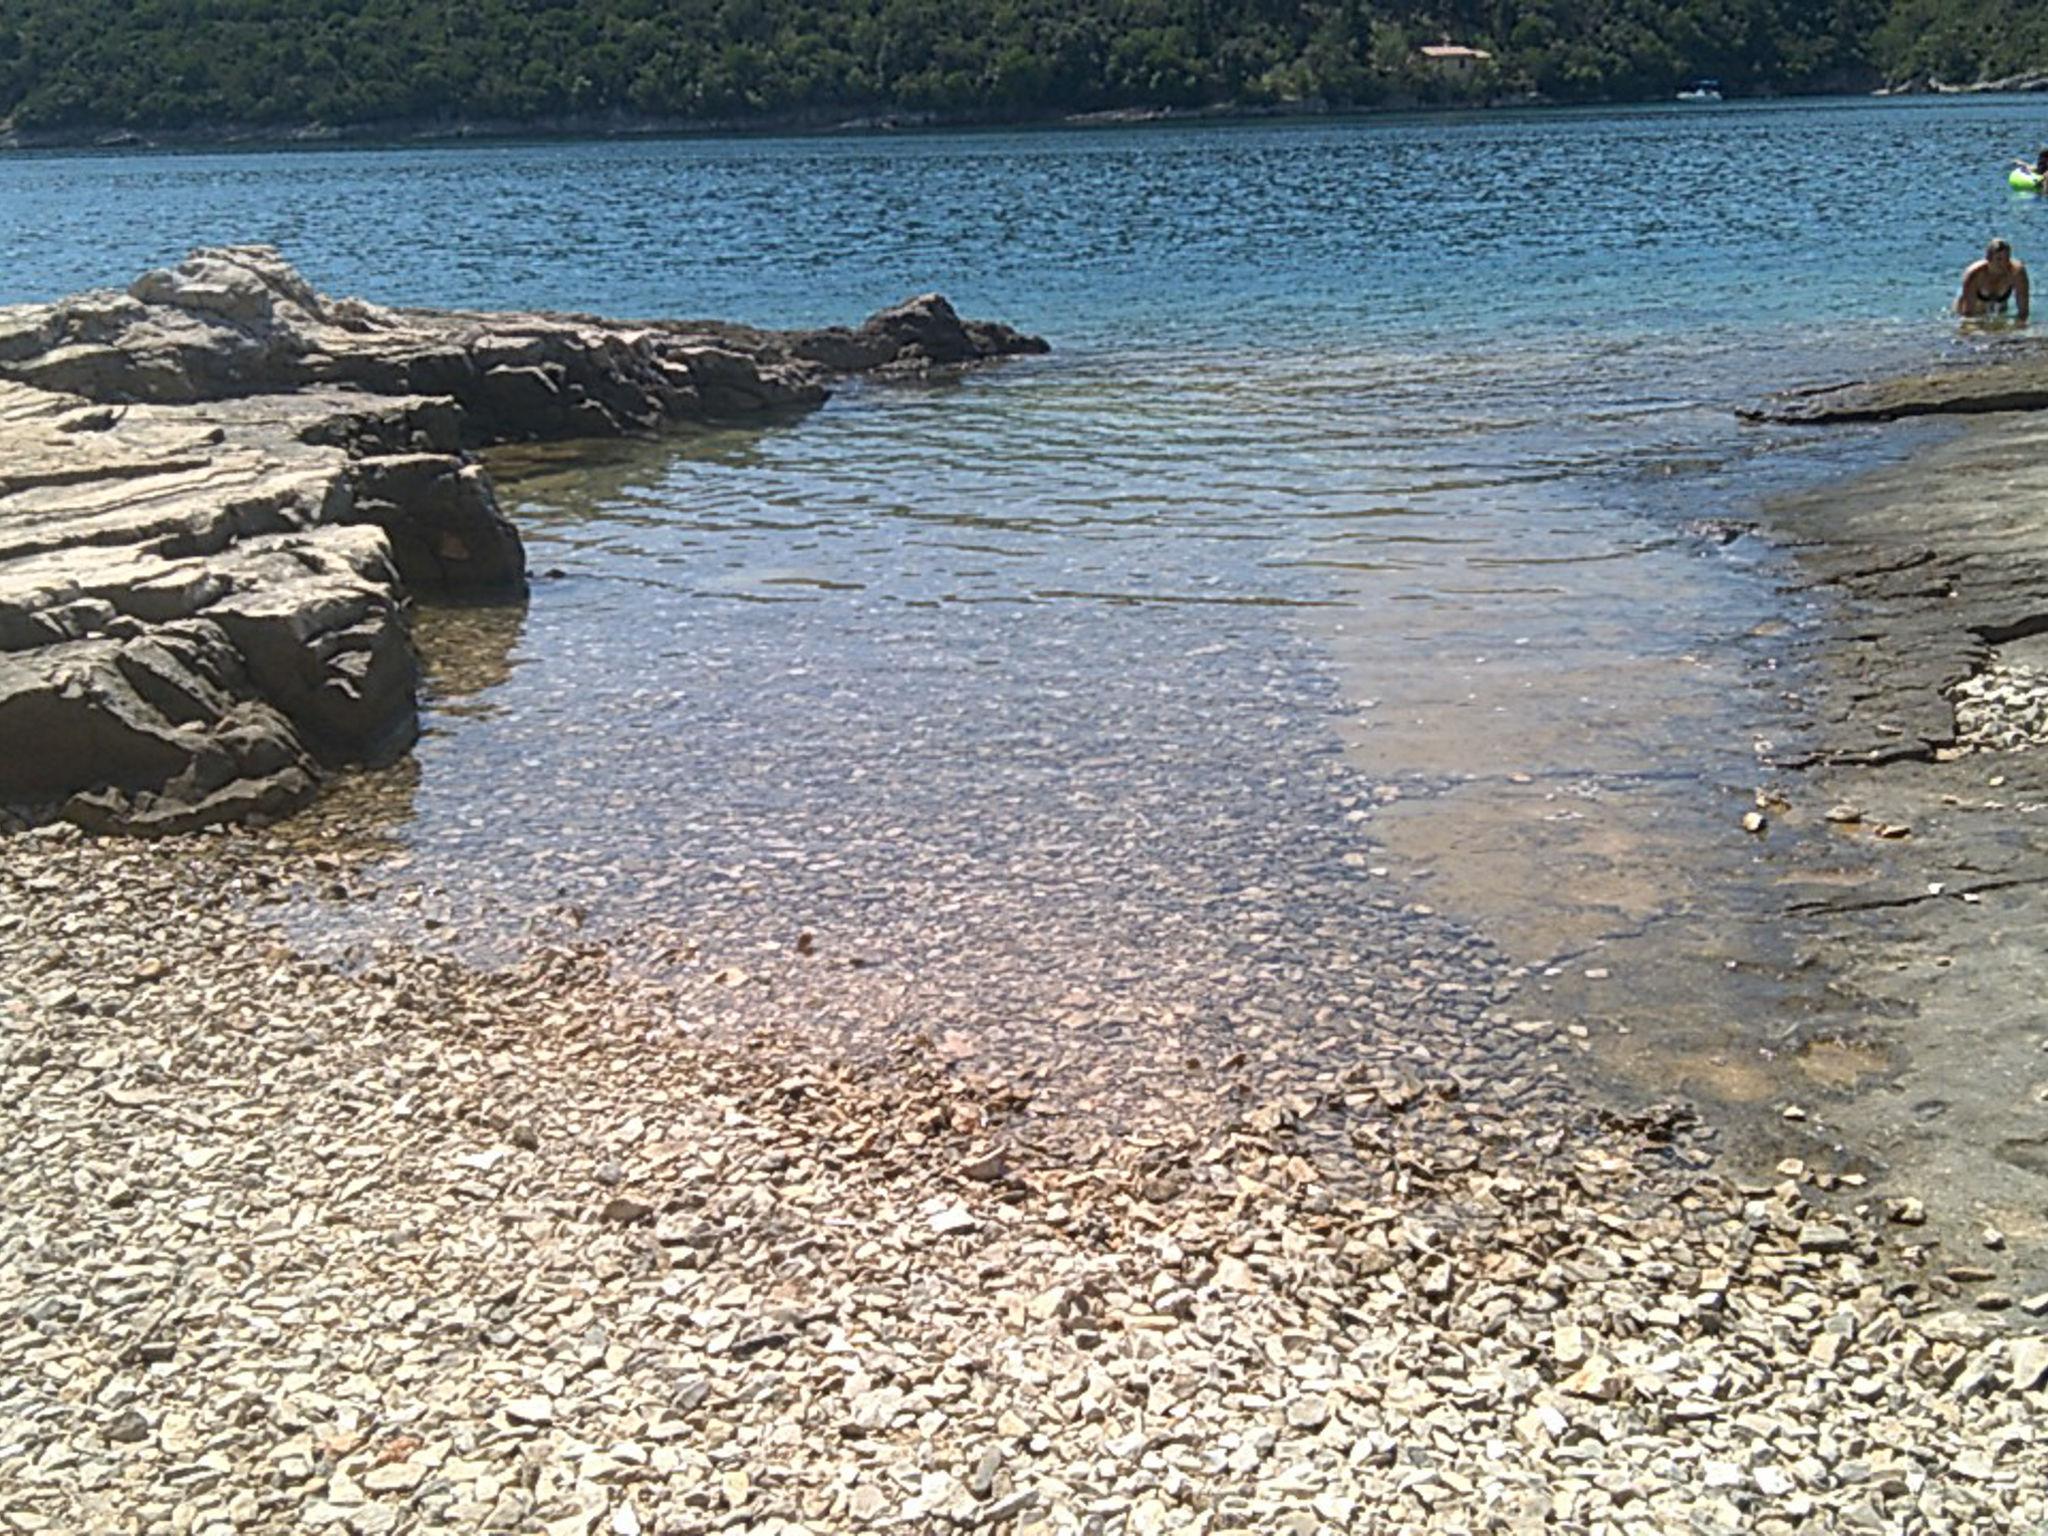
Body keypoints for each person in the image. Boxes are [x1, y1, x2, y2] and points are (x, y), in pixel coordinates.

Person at [1957, 238, 2030, 321]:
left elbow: (2024, 312)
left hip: (1999, 312)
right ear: (1988, 258)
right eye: (1999, 259)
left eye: (2007, 259)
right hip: (1970, 311)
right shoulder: (1974, 274)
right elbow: (1968, 314)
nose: (2003, 264)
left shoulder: (2016, 273)